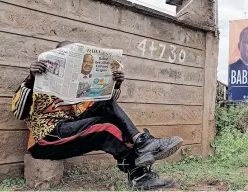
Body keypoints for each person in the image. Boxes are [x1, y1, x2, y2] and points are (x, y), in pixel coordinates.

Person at [11, 41, 183, 190]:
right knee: (104, 129)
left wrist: (115, 85)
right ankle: (138, 174)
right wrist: (31, 80)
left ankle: (142, 142)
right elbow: (19, 113)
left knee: (105, 103)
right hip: (46, 139)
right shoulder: (36, 79)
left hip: (70, 128)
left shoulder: (76, 84)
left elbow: (102, 105)